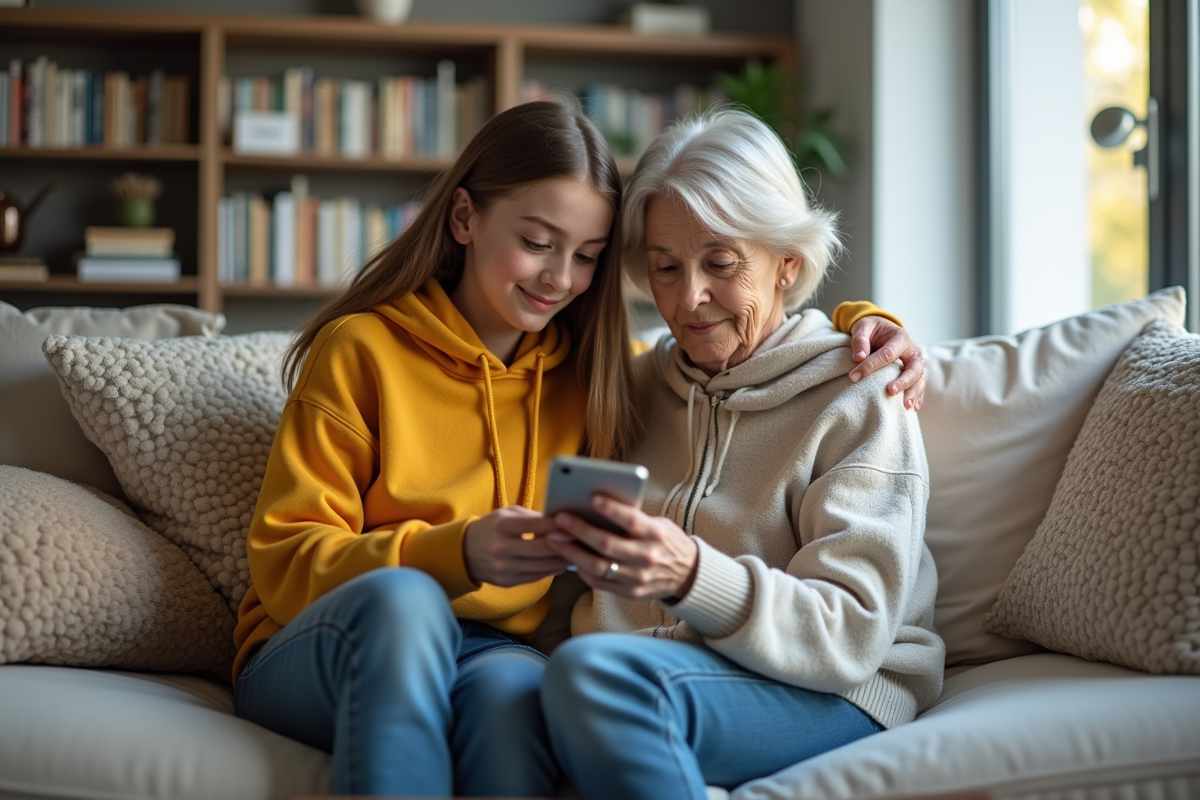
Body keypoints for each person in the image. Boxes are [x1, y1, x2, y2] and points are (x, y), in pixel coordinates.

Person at [232, 101, 924, 799]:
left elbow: (778, 354)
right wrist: (460, 551)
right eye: (537, 242)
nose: (561, 278)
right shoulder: (375, 352)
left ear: (787, 263)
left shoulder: (598, 373)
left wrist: (870, 325)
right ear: (466, 218)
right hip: (341, 631)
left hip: (503, 653)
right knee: (407, 606)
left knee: (516, 697)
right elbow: (286, 559)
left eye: (588, 257)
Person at [539, 107, 946, 800]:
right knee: (504, 692)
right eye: (665, 268)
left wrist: (693, 574)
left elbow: (850, 631)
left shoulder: (859, 392)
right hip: (645, 670)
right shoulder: (632, 385)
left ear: (787, 263)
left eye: (721, 264)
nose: (689, 297)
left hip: (831, 685)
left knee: (593, 677)